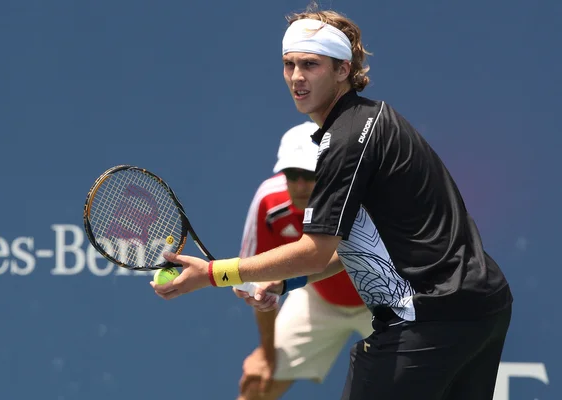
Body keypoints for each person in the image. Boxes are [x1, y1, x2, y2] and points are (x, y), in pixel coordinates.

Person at [151, 5, 513, 400]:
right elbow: (362, 248)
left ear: (343, 70)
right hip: (482, 309)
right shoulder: (374, 121)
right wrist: (287, 279)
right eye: (289, 65)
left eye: (311, 64)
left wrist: (212, 273)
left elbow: (314, 250)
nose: (297, 77)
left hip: (428, 316)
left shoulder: (346, 140)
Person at [236, 121, 373, 400]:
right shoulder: (269, 201)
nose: (299, 185)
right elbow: (257, 283)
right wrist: (267, 351)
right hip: (318, 299)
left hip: (381, 302)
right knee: (258, 385)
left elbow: (341, 258)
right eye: (292, 173)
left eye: (309, 175)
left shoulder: (361, 196)